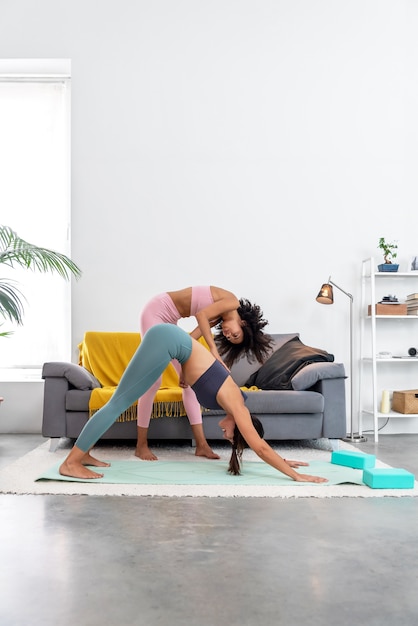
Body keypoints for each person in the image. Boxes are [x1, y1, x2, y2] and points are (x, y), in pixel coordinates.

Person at [59, 324, 328, 484]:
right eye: (233, 436)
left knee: (120, 401)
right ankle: (71, 462)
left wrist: (283, 459)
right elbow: (258, 446)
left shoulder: (237, 402)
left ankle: (83, 453)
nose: (226, 435)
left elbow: (256, 442)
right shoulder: (237, 405)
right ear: (242, 426)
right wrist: (296, 476)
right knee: (119, 402)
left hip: (170, 342)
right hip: (166, 340)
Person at [136, 286, 274, 461]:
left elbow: (189, 340)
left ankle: (201, 445)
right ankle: (141, 446)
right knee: (153, 382)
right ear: (243, 323)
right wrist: (213, 350)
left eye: (231, 338)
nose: (229, 335)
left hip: (169, 322)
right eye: (235, 334)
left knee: (192, 386)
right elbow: (201, 315)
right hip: (155, 312)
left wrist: (184, 369)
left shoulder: (218, 316)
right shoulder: (232, 301)